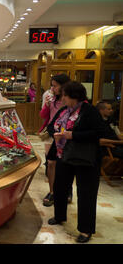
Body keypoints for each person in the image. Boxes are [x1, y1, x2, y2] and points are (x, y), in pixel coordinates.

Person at [47, 81, 105, 243]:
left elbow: (98, 133)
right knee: (60, 187)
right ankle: (59, 216)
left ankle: (86, 230)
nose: (62, 98)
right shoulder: (65, 110)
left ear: (75, 96)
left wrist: (73, 135)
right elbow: (51, 126)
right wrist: (56, 133)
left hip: (85, 158)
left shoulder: (89, 111)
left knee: (86, 193)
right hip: (64, 155)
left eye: (65, 95)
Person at [39, 74, 71, 207]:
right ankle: (52, 192)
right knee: (51, 163)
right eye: (51, 85)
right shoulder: (51, 98)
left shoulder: (69, 100)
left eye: (54, 85)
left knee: (64, 165)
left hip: (66, 136)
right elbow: (43, 115)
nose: (52, 88)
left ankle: (67, 191)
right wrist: (46, 105)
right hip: (52, 133)